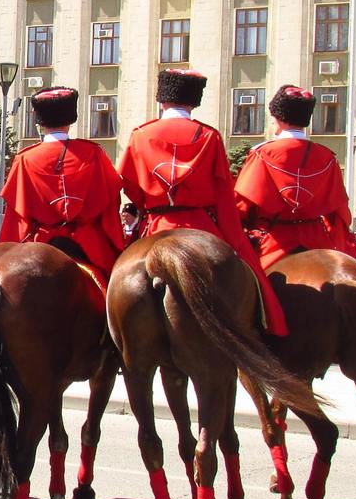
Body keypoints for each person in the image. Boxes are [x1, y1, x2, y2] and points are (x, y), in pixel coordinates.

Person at [118, 68, 287, 335]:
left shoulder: (141, 134)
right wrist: (234, 236)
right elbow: (222, 190)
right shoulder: (209, 135)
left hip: (158, 222)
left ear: (162, 100)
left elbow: (129, 183)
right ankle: (263, 327)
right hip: (200, 224)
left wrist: (149, 206)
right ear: (194, 102)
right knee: (249, 276)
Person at [0, 85, 127, 284]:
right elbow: (110, 204)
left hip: (40, 243)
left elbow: (17, 217)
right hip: (88, 244)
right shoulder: (94, 154)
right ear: (70, 119)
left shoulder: (24, 159)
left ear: (40, 122)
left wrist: (6, 253)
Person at [233, 84, 353, 271]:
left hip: (273, 242)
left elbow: (242, 206)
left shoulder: (262, 153)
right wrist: (334, 243)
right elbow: (339, 213)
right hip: (317, 241)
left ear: (278, 119)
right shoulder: (327, 157)